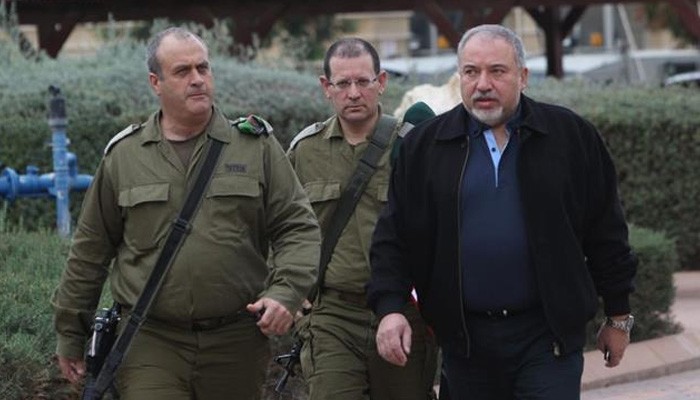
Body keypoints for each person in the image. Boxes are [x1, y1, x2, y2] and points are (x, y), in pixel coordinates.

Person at [368, 24, 637, 400]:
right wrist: (390, 307)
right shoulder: (426, 148)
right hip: (465, 344)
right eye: (471, 72)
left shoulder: (570, 137)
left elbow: (606, 232)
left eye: (497, 71)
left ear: (523, 76)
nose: (483, 84)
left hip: (547, 340)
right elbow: (394, 237)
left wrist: (619, 316)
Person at [51, 27, 320, 399]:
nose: (197, 79)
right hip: (151, 339)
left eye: (203, 68)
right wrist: (70, 333)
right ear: (155, 82)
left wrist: (285, 293)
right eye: (182, 71)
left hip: (236, 340)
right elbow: (90, 251)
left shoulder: (254, 146)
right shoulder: (125, 156)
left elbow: (297, 226)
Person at [287, 38, 438, 400]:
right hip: (332, 314)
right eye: (342, 83)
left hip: (403, 310)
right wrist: (288, 288)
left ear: (381, 82)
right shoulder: (305, 151)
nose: (353, 93)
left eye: (363, 81)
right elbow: (281, 225)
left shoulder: (411, 145)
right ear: (326, 87)